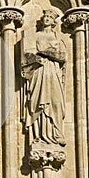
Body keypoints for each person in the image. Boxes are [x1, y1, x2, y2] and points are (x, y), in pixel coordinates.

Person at [24, 9, 66, 146]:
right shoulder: (35, 36)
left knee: (56, 101)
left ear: (54, 22)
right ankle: (40, 135)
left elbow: (63, 56)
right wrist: (38, 56)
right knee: (38, 102)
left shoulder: (57, 38)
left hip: (53, 72)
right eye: (45, 16)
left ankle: (56, 132)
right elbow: (26, 57)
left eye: (50, 17)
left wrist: (45, 52)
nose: (47, 19)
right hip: (39, 71)